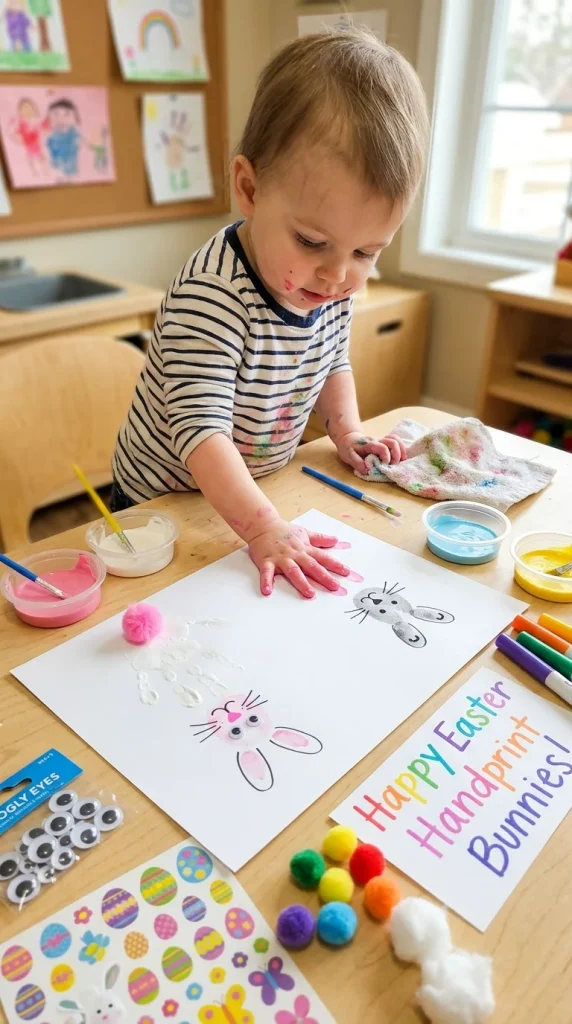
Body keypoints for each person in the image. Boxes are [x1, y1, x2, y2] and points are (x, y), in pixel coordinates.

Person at [112, 28, 428, 599]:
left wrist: (347, 430)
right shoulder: (213, 296)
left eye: (366, 252)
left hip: (251, 495)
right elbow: (201, 433)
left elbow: (333, 360)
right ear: (250, 189)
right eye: (311, 241)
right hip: (161, 508)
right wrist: (262, 528)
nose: (337, 275)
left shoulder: (326, 286)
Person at [45, 98, 82, 177]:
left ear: (75, 118)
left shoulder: (75, 134)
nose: (61, 119)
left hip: (71, 171)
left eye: (67, 114)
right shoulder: (51, 136)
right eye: (56, 114)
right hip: (56, 170)